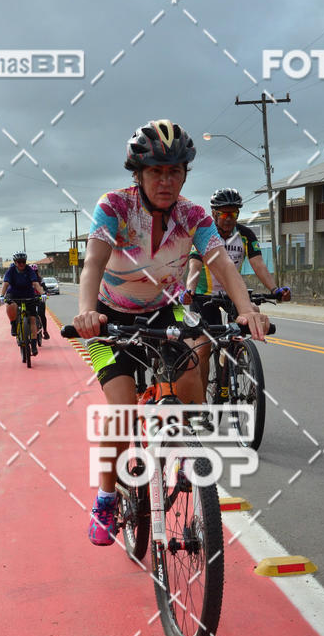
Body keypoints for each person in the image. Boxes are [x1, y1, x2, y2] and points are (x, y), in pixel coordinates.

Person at [73, 119, 270, 546]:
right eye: (156, 172)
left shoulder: (193, 216)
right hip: (108, 316)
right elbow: (93, 263)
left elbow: (222, 264)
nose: (166, 181)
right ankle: (106, 497)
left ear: (185, 174)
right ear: (139, 174)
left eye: (175, 172)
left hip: (165, 310)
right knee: (122, 413)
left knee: (190, 371)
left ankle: (181, 450)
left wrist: (246, 310)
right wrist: (87, 311)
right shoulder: (114, 206)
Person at [186, 188, 291, 397]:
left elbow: (258, 264)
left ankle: (235, 353)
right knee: (203, 348)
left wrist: (275, 290)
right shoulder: (205, 234)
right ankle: (201, 403)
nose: (229, 218)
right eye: (224, 213)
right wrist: (189, 290)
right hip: (204, 295)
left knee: (251, 311)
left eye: (233, 213)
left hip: (232, 293)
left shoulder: (245, 235)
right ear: (214, 213)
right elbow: (194, 267)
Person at [0, 252, 44, 356]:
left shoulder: (29, 270)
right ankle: (13, 324)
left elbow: (35, 283)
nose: (21, 264)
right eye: (19, 262)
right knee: (10, 305)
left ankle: (34, 345)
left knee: (33, 319)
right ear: (15, 262)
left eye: (23, 262)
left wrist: (42, 293)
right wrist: (2, 295)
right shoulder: (11, 270)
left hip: (28, 294)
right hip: (14, 294)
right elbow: (6, 283)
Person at [30, 264, 50, 339]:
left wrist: (46, 292)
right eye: (31, 272)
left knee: (41, 314)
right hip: (30, 298)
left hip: (39, 298)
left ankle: (45, 331)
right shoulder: (26, 279)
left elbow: (45, 287)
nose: (33, 273)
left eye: (35, 272)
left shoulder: (40, 279)